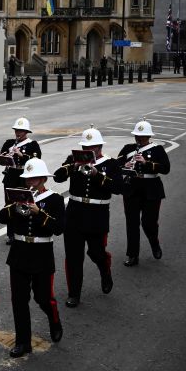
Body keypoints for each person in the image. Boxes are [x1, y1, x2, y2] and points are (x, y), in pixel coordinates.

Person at [0, 159, 65, 357]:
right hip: (19, 253)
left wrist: (39, 212)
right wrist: (14, 206)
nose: (30, 182)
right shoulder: (18, 196)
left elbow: (59, 228)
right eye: (27, 178)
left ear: (43, 178)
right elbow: (1, 217)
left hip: (41, 254)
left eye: (34, 178)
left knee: (43, 297)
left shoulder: (54, 199)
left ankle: (54, 319)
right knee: (19, 301)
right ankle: (23, 342)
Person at [52, 128, 122, 307]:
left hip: (97, 215)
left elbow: (118, 188)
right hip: (75, 212)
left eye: (92, 147)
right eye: (85, 146)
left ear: (100, 147)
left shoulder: (111, 164)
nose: (88, 150)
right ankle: (74, 293)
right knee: (74, 256)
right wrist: (72, 166)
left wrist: (97, 175)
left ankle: (104, 269)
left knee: (96, 252)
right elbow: (57, 178)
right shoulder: (73, 160)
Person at [117, 120, 170, 266]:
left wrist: (147, 163)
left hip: (151, 189)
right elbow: (115, 165)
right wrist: (124, 165)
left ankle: (154, 243)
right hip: (131, 188)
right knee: (132, 224)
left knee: (148, 223)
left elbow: (166, 168)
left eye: (143, 136)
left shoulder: (158, 149)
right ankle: (133, 255)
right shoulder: (128, 148)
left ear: (149, 136)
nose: (139, 139)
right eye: (137, 136)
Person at [0, 117, 41, 192]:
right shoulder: (9, 143)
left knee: (24, 200)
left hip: (24, 176)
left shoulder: (32, 144)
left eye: (21, 131)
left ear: (26, 132)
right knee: (9, 201)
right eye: (16, 130)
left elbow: (37, 160)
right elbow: (1, 161)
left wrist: (21, 155)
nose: (18, 133)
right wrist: (5, 157)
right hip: (10, 176)